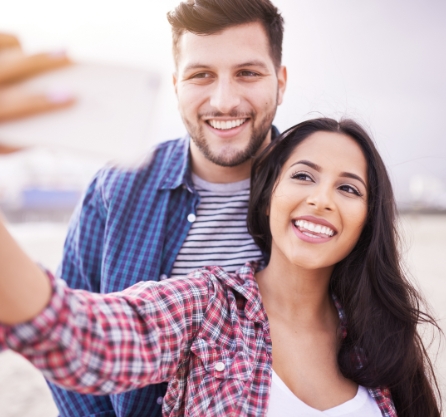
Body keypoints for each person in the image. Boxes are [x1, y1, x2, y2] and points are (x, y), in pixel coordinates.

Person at [0, 118, 442, 417]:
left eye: (348, 188)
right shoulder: (207, 306)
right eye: (304, 176)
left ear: (368, 217)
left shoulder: (379, 333)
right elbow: (83, 337)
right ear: (269, 195)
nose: (321, 199)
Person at [47, 0, 287, 416]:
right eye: (201, 76)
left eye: (248, 73)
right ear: (176, 84)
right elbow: (63, 340)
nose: (225, 100)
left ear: (280, 82)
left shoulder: (321, 195)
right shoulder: (116, 188)